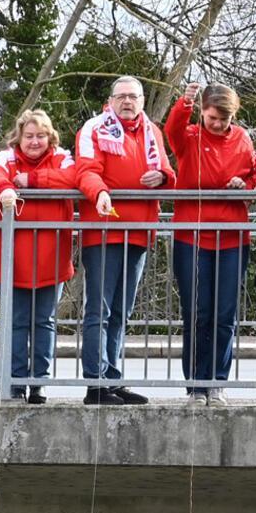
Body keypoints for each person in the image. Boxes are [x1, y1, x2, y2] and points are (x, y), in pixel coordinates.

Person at [0, 109, 105, 404]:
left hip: (50, 256)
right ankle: (15, 382)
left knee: (44, 320)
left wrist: (31, 180)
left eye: (41, 136)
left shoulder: (62, 157)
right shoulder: (5, 157)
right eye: (29, 136)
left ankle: (39, 382)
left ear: (50, 137)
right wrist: (6, 188)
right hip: (12, 258)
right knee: (16, 321)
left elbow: (73, 178)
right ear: (19, 137)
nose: (34, 142)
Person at [73, 76, 174, 404]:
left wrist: (162, 177)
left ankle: (112, 378)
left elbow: (168, 173)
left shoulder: (151, 132)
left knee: (121, 311)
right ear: (111, 100)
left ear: (142, 101)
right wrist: (100, 191)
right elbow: (86, 170)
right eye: (122, 97)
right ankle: (96, 383)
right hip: (104, 229)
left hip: (139, 231)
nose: (128, 102)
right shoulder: (94, 128)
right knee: (98, 309)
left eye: (134, 97)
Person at [163, 82, 256, 403]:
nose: (218, 124)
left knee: (224, 314)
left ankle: (217, 381)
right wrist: (185, 103)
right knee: (198, 312)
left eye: (224, 118)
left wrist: (243, 184)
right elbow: (172, 130)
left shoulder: (243, 139)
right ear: (203, 113)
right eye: (211, 118)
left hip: (232, 236)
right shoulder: (190, 137)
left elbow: (255, 178)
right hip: (192, 236)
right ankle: (195, 384)